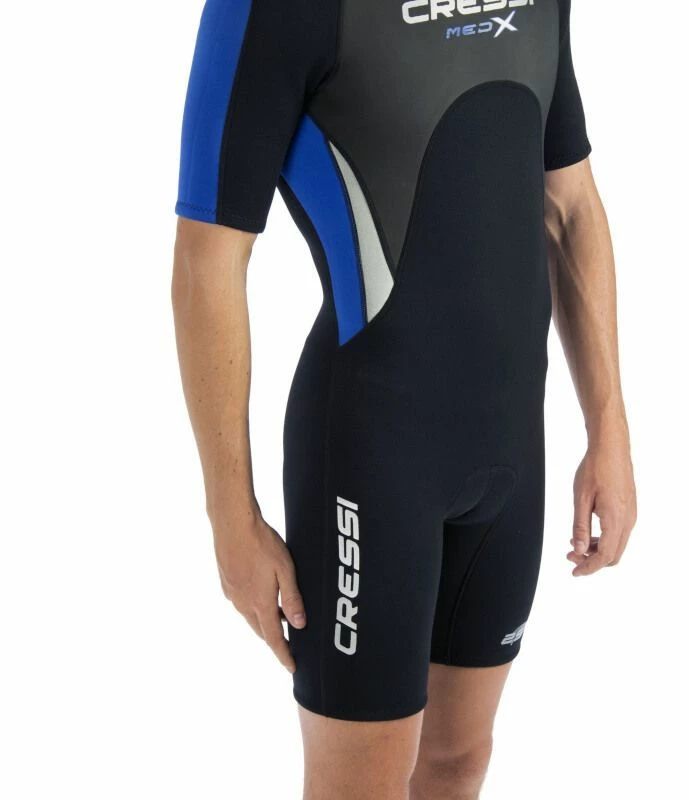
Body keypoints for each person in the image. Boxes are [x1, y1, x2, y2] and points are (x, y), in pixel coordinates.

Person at [171, 0, 637, 797]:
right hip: (371, 455)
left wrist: (610, 428)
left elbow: (570, 204)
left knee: (460, 760)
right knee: (364, 782)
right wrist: (229, 516)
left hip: (510, 451)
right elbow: (206, 260)